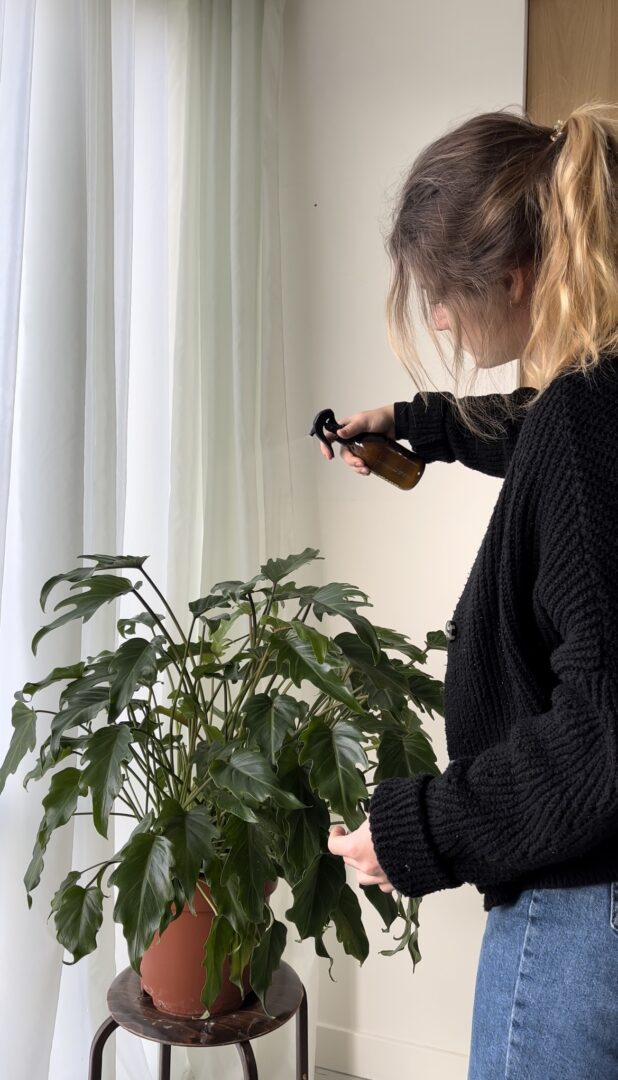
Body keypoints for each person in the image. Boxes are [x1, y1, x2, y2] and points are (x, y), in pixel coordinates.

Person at [320, 103, 618, 1078]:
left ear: (516, 277)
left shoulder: (583, 419)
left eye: (441, 297)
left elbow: (600, 735)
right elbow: (554, 444)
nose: (439, 320)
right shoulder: (593, 399)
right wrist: (423, 424)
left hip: (580, 907)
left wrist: (413, 832)